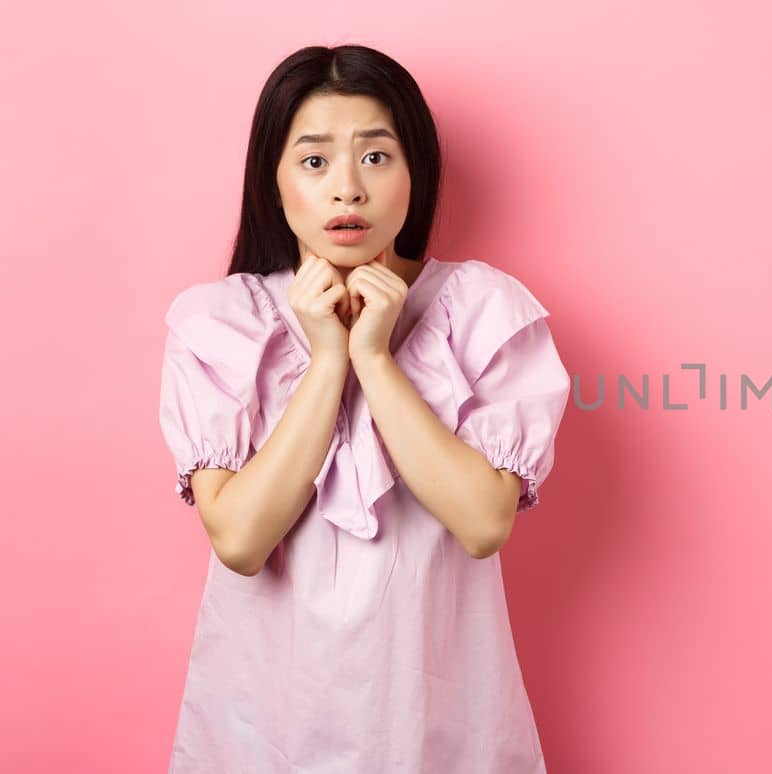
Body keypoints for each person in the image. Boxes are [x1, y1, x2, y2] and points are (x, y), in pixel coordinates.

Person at [156, 44, 569, 772]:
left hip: (440, 718)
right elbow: (242, 540)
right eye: (314, 161)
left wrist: (376, 358)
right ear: (273, 180)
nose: (347, 189)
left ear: (415, 173)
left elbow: (483, 522)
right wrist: (328, 359)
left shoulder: (484, 310)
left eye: (376, 157)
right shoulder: (220, 322)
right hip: (263, 718)